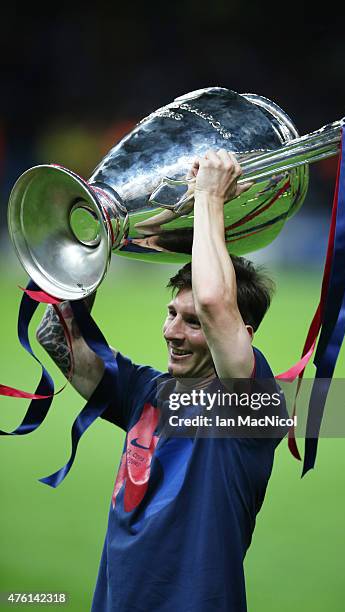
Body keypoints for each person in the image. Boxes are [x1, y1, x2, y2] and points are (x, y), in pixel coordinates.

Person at [36, 149, 288, 612]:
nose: (171, 331)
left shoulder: (252, 404)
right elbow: (56, 337)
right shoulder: (146, 392)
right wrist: (102, 230)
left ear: (242, 339)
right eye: (171, 313)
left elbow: (216, 303)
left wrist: (210, 197)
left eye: (193, 323)